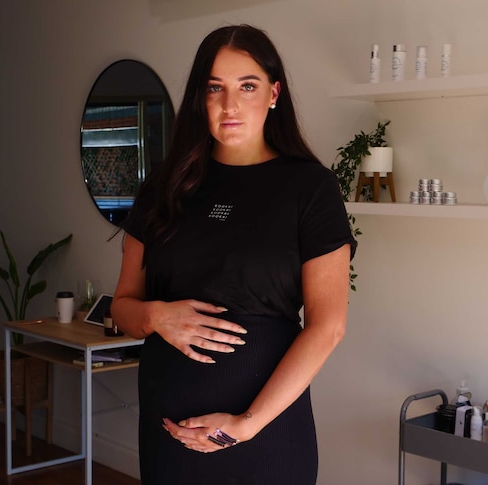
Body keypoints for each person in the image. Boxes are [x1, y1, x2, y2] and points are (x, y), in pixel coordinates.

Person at [111, 24, 356, 484]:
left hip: (265, 434)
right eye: (214, 88)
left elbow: (329, 326)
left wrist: (245, 426)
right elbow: (122, 306)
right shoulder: (163, 188)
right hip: (170, 435)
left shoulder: (310, 189)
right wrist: (157, 317)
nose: (230, 105)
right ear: (199, 98)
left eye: (248, 86)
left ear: (273, 93)